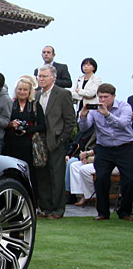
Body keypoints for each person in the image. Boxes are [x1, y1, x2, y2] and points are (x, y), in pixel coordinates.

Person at [77, 83, 133, 221]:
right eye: (100, 97)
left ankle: (124, 211)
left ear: (113, 96)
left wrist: (107, 114)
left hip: (125, 147)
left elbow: (123, 124)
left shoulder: (124, 107)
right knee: (101, 178)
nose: (102, 100)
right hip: (104, 148)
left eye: (106, 97)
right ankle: (102, 212)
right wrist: (83, 117)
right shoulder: (95, 109)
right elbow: (84, 128)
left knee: (130, 179)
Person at [35, 65, 78, 219]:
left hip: (56, 140)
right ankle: (45, 207)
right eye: (40, 76)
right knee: (43, 175)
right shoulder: (37, 94)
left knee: (57, 175)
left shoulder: (62, 94)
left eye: (44, 76)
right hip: (40, 142)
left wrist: (62, 138)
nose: (41, 79)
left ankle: (58, 209)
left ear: (53, 77)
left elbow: (70, 119)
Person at [3, 76, 47, 191]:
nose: (22, 92)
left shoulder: (35, 105)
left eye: (25, 90)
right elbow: (3, 122)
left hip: (29, 145)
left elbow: (42, 125)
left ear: (29, 91)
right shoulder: (11, 104)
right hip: (11, 144)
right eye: (20, 89)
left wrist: (27, 130)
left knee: (30, 174)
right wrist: (11, 124)